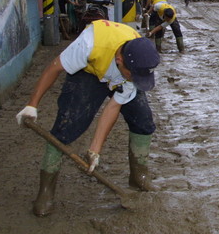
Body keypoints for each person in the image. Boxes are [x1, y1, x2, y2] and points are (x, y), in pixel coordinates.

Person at [15, 19, 161, 217]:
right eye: (133, 76)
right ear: (120, 60)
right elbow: (54, 68)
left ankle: (138, 176)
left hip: (117, 75)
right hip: (88, 72)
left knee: (143, 120)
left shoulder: (136, 61)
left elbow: (113, 107)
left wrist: (95, 150)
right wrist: (32, 105)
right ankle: (45, 192)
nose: (136, 81)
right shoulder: (88, 44)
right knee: (67, 126)